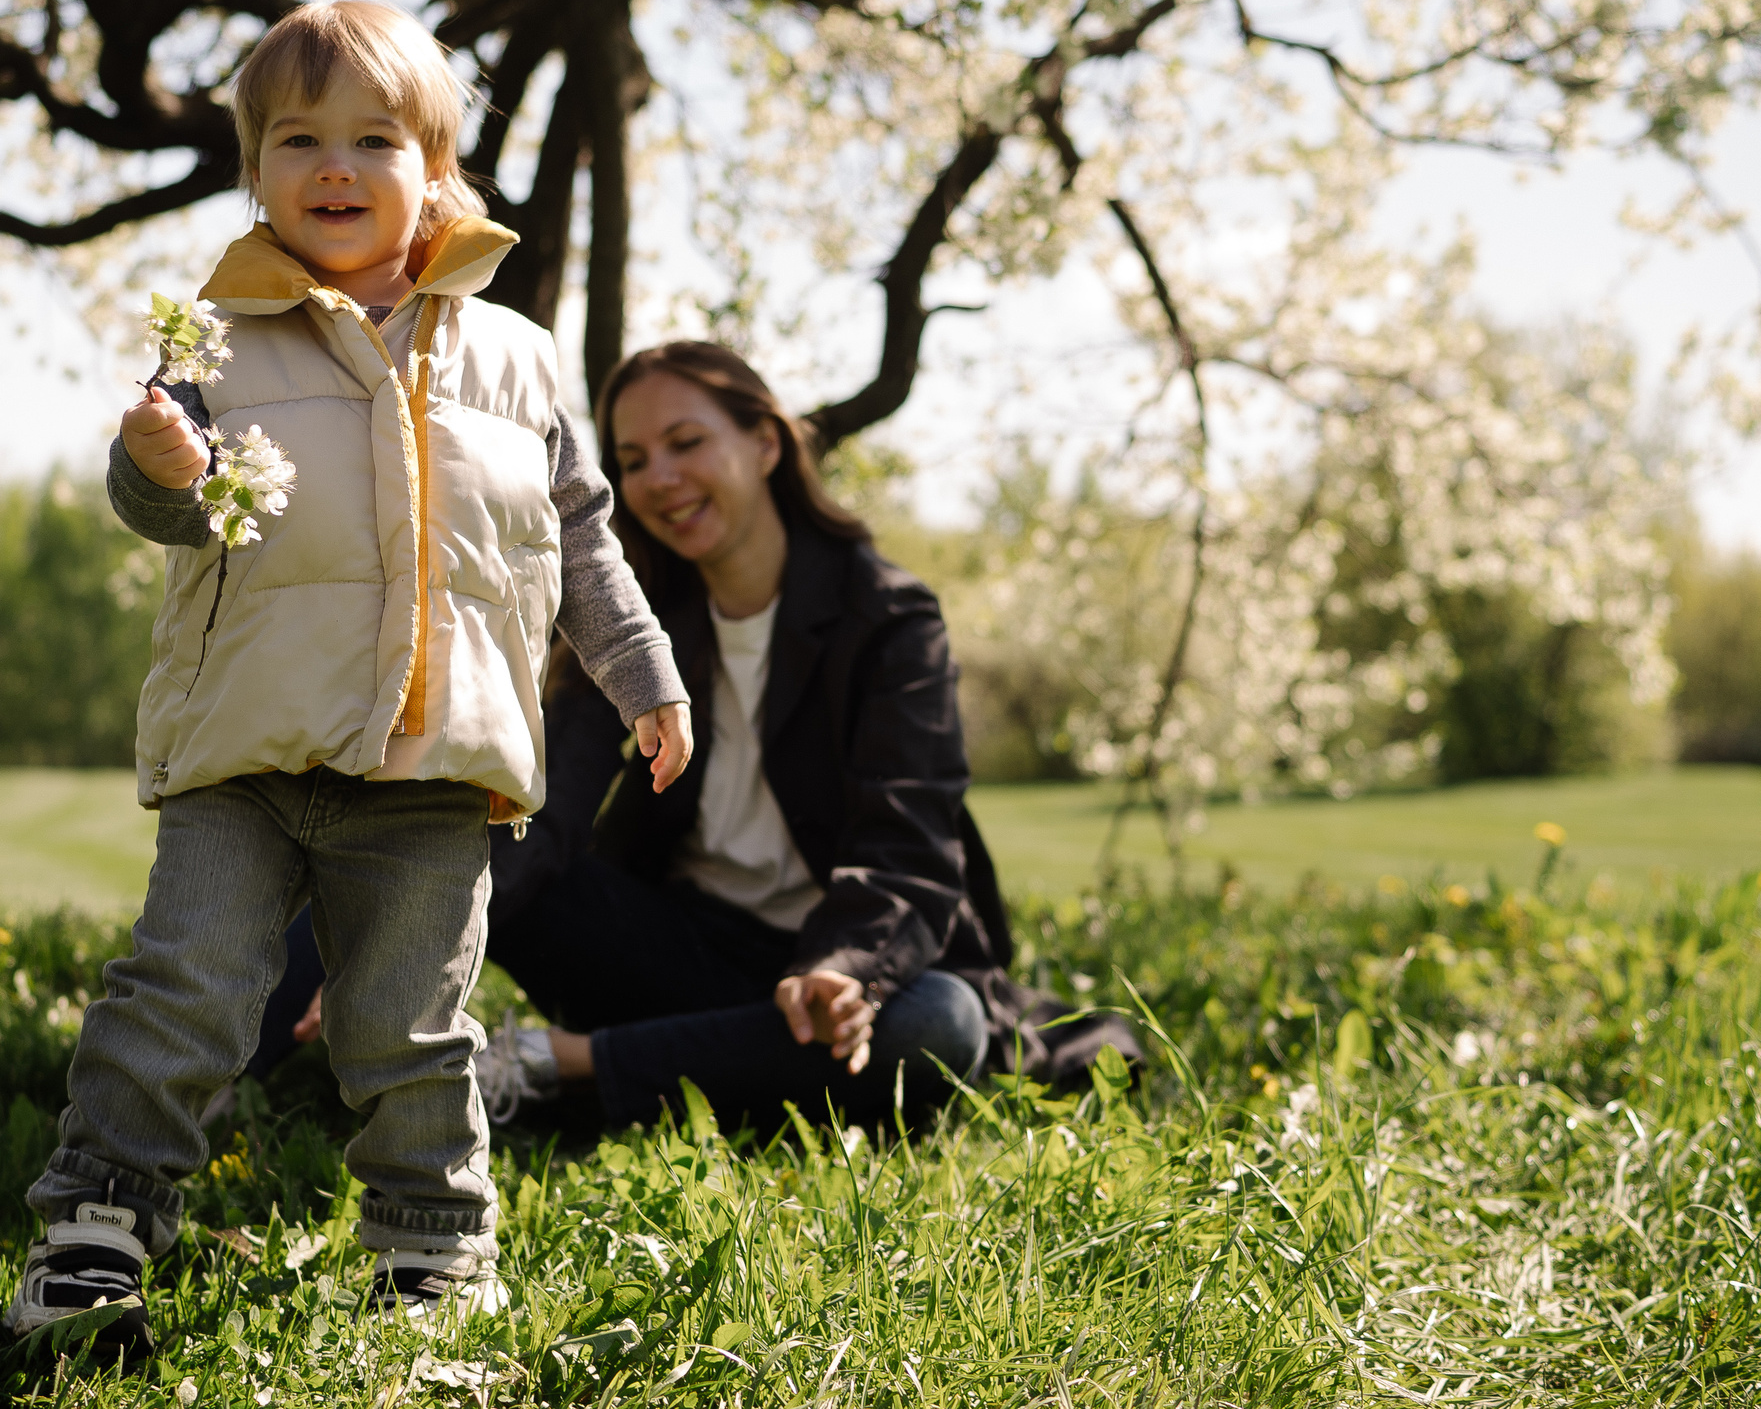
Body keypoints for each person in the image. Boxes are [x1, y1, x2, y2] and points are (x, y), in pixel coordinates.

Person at [2, 0, 693, 1355]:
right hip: (248, 751)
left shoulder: (519, 356)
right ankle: (95, 1229)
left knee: (410, 1019)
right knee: (185, 983)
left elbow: (582, 543)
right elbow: (172, 511)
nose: (334, 165)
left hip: (432, 761)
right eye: (298, 137)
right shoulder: (214, 338)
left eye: (373, 137)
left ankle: (432, 1246)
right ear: (254, 168)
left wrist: (645, 679)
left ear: (437, 170)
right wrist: (159, 466)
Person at [266, 343, 1142, 1132]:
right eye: (636, 459)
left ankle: (546, 1066)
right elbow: (552, 809)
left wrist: (843, 969)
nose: (661, 479)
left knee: (941, 1022)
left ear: (766, 443)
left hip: (836, 975)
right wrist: (388, 940)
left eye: (687, 443)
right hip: (681, 952)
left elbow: (908, 838)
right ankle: (232, 1065)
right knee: (460, 840)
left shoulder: (887, 617)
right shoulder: (630, 626)